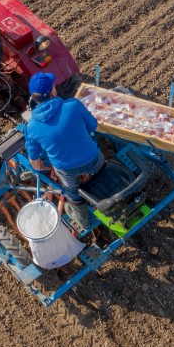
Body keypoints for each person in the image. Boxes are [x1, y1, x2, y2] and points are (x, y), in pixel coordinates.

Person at [25, 72, 104, 229]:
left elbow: (34, 162)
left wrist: (44, 167)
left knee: (72, 191)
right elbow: (93, 126)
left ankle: (83, 221)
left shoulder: (31, 127)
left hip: (67, 170)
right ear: (52, 91)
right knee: (101, 170)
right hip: (93, 158)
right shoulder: (73, 105)